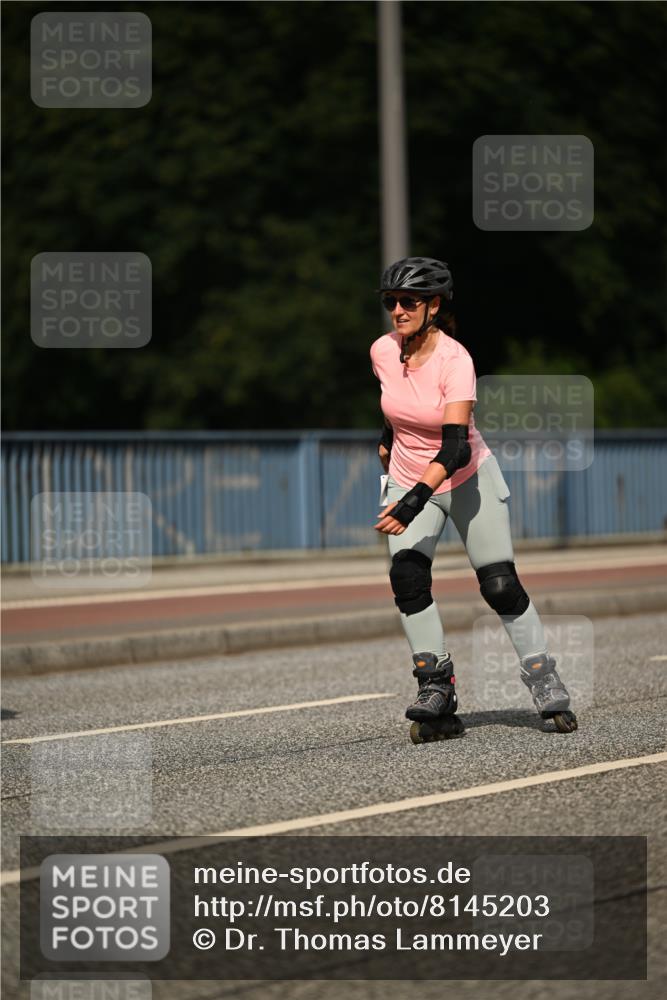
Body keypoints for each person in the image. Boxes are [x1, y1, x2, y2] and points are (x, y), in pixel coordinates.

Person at [370, 256, 577, 742]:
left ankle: (542, 674)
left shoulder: (455, 360)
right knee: (407, 577)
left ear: (433, 306)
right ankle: (435, 684)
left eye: (408, 302)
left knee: (499, 584)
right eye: (390, 302)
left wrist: (411, 501)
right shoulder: (382, 350)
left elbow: (456, 445)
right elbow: (397, 402)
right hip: (407, 474)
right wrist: (385, 438)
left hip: (465, 476)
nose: (397, 310)